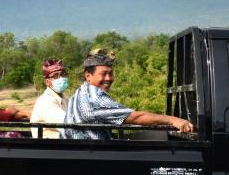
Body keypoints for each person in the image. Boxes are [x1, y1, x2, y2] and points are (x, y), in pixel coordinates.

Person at [62, 49, 194, 140]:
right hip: (90, 156)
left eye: (110, 73)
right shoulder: (94, 97)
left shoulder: (80, 91)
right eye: (103, 74)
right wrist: (173, 119)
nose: (108, 78)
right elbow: (136, 117)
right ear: (88, 76)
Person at [30, 58, 69, 139]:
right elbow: (67, 124)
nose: (61, 78)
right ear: (47, 82)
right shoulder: (45, 101)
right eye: (56, 76)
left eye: (63, 74)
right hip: (50, 147)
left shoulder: (64, 99)